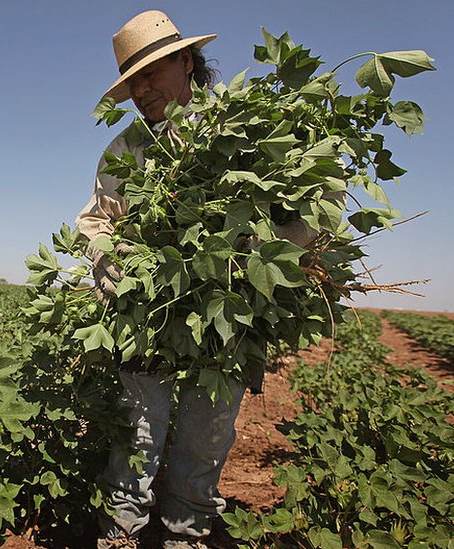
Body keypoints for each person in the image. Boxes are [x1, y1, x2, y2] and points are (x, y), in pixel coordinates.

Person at [76, 10, 323, 549]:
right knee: (136, 436)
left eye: (151, 74)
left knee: (205, 441)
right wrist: (113, 259)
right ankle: (120, 535)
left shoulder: (252, 127)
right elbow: (95, 222)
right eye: (132, 82)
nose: (142, 91)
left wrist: (259, 253)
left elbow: (314, 205)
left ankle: (185, 536)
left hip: (231, 323)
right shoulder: (127, 150)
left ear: (186, 62)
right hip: (147, 316)